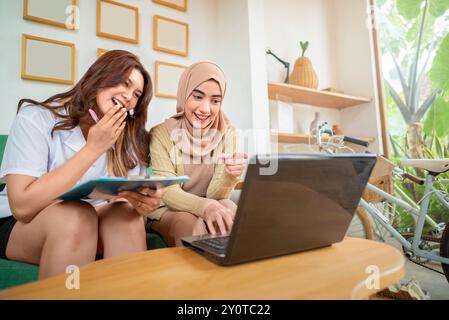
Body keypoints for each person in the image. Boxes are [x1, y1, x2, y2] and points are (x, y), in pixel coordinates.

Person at [0, 50, 162, 279]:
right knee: (77, 215)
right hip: (20, 223)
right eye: (124, 83)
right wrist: (92, 149)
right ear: (99, 78)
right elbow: (22, 207)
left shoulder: (128, 139)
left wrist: (140, 202)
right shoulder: (35, 118)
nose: (129, 97)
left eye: (136, 94)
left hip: (93, 220)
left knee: (125, 214)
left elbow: (120, 199)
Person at [147, 62, 247, 247]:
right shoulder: (161, 133)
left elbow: (216, 195)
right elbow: (167, 191)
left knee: (230, 210)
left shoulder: (228, 133)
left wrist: (230, 174)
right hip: (168, 208)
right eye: (198, 97)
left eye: (215, 101)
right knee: (190, 225)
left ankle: (234, 274)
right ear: (184, 94)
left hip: (211, 202)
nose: (205, 109)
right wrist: (204, 207)